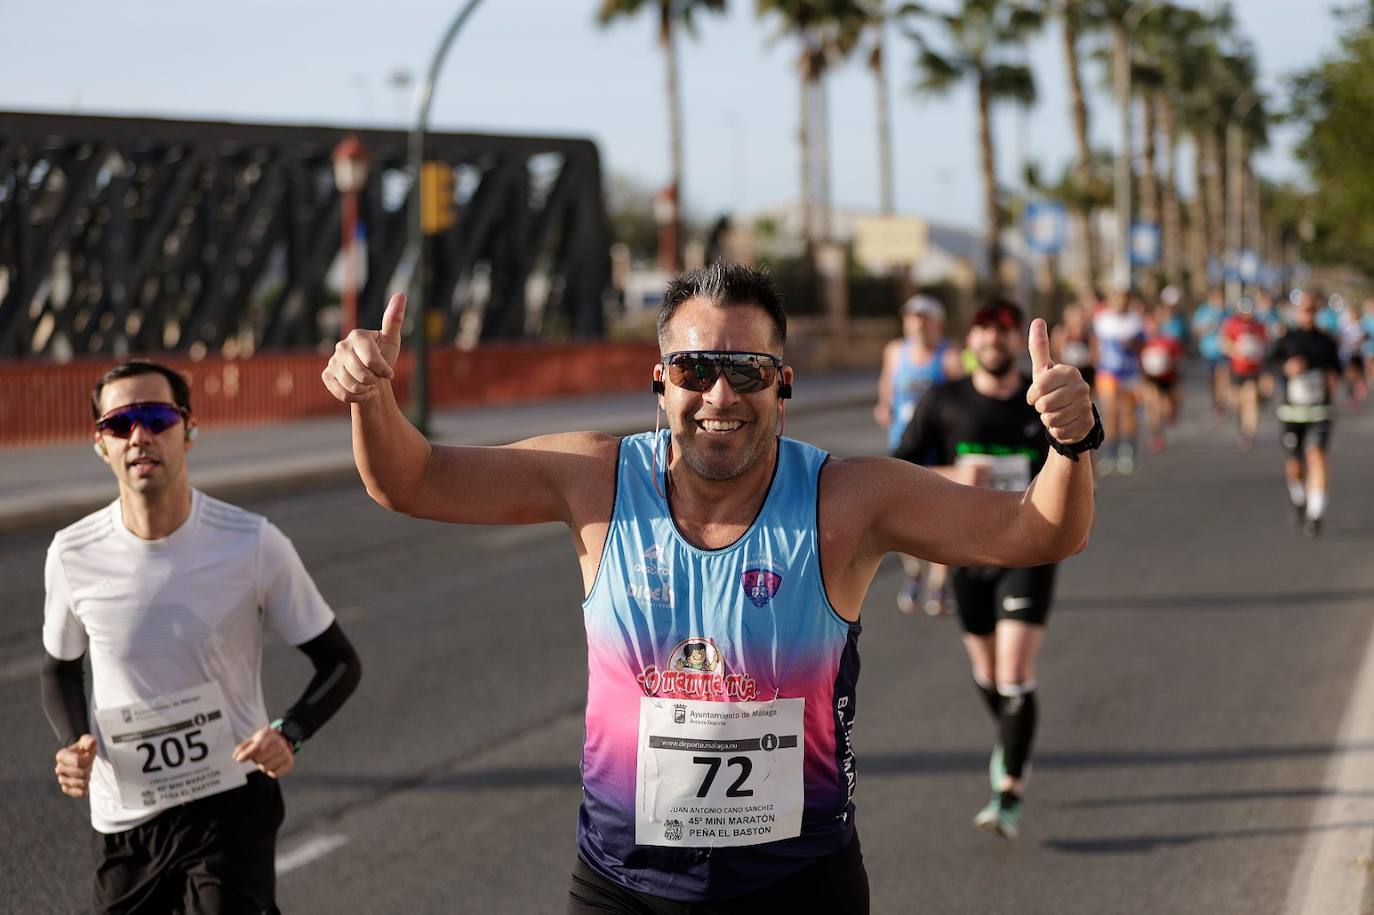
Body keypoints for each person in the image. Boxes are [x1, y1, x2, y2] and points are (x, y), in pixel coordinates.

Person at [321, 263, 1098, 910]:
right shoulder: (595, 478)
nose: (719, 396)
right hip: (624, 884)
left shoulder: (849, 499)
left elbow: (1038, 530)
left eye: (747, 371)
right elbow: (413, 477)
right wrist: (371, 398)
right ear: (660, 383)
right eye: (695, 370)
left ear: (782, 384)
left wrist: (1071, 442)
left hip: (798, 881)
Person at [42, 360, 362, 914]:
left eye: (156, 417)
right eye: (120, 424)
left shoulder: (252, 543)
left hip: (230, 803)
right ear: (101, 445)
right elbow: (59, 668)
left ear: (188, 430)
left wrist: (290, 732)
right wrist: (74, 741)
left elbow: (338, 661)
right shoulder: (73, 553)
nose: (139, 435)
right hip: (126, 815)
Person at [893, 299, 1095, 842]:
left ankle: (1009, 788)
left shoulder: (1041, 400)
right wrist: (954, 471)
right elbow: (898, 468)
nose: (993, 340)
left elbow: (1080, 450)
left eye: (1003, 332)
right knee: (987, 675)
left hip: (1029, 553)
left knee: (1012, 672)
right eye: (983, 330)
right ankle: (1012, 733)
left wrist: (1077, 421)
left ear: (1014, 343)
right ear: (971, 341)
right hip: (968, 554)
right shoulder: (944, 400)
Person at [874, 294, 964, 616]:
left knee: (940, 516)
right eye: (912, 318)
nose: (917, 324)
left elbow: (963, 395)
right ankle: (913, 570)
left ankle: (939, 581)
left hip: (938, 448)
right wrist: (884, 405)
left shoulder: (950, 356)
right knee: (901, 517)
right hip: (904, 445)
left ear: (937, 322)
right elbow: (888, 383)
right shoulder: (895, 351)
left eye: (924, 318)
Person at [1272, 293, 1343, 537]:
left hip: (1319, 410)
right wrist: (1286, 369)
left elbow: (1337, 371)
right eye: (1304, 309)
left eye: (1313, 309)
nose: (1308, 314)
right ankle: (1299, 496)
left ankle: (1315, 514)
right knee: (1295, 465)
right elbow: (1271, 365)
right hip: (1292, 411)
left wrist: (1332, 378)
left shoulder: (1326, 342)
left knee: (1317, 457)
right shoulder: (1288, 340)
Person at [1092, 289, 1146, 475]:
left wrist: (1132, 344)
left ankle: (1128, 450)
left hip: (1130, 374)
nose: (1120, 303)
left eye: (1123, 300)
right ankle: (1110, 452)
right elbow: (1095, 345)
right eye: (1117, 299)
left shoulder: (1135, 321)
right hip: (1108, 373)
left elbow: (1142, 345)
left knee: (1128, 412)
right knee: (1110, 412)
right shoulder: (1102, 320)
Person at [1221, 297, 1269, 450]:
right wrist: (1236, 351)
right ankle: (1242, 425)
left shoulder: (1259, 326)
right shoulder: (1232, 324)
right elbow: (1224, 342)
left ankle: (1248, 433)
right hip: (1237, 369)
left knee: (1251, 398)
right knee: (1238, 402)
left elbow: (1265, 345)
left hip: (1253, 370)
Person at [1140, 304, 1186, 453]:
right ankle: (1156, 435)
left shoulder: (1170, 341)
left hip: (1169, 378)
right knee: (1153, 404)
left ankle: (1169, 417)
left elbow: (1179, 361)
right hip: (1151, 379)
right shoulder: (1143, 342)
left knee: (1168, 411)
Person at [1192, 288, 1231, 419]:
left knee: (1222, 375)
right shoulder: (1204, 311)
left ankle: (1222, 402)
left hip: (1223, 351)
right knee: (1213, 378)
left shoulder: (1227, 312)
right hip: (1209, 351)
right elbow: (1196, 329)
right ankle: (1216, 399)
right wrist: (1209, 326)